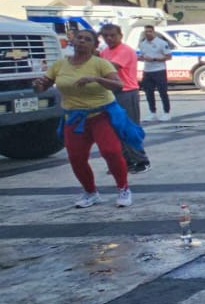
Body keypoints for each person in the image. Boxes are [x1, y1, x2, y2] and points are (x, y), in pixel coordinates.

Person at [36, 28, 136, 208]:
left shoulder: (101, 64)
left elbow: (118, 85)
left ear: (94, 46)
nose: (82, 41)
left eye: (87, 39)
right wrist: (37, 85)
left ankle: (123, 188)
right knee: (76, 157)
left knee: (111, 152)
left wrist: (96, 79)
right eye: (79, 38)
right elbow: (42, 87)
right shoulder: (60, 65)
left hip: (101, 115)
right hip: (74, 117)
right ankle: (90, 192)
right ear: (73, 41)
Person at [96, 24, 152, 174]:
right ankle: (126, 161)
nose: (109, 38)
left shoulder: (125, 50)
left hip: (126, 92)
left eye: (112, 35)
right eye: (106, 36)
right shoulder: (105, 51)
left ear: (120, 36)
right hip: (111, 93)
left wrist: (91, 62)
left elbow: (111, 67)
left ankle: (142, 160)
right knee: (115, 129)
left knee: (129, 128)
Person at [136, 24, 173, 121]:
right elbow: (143, 56)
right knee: (148, 92)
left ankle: (166, 112)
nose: (148, 33)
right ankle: (152, 112)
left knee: (162, 92)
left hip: (159, 70)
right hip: (147, 71)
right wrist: (139, 58)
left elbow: (168, 56)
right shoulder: (142, 44)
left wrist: (154, 59)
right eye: (146, 32)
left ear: (154, 32)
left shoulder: (161, 43)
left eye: (150, 31)